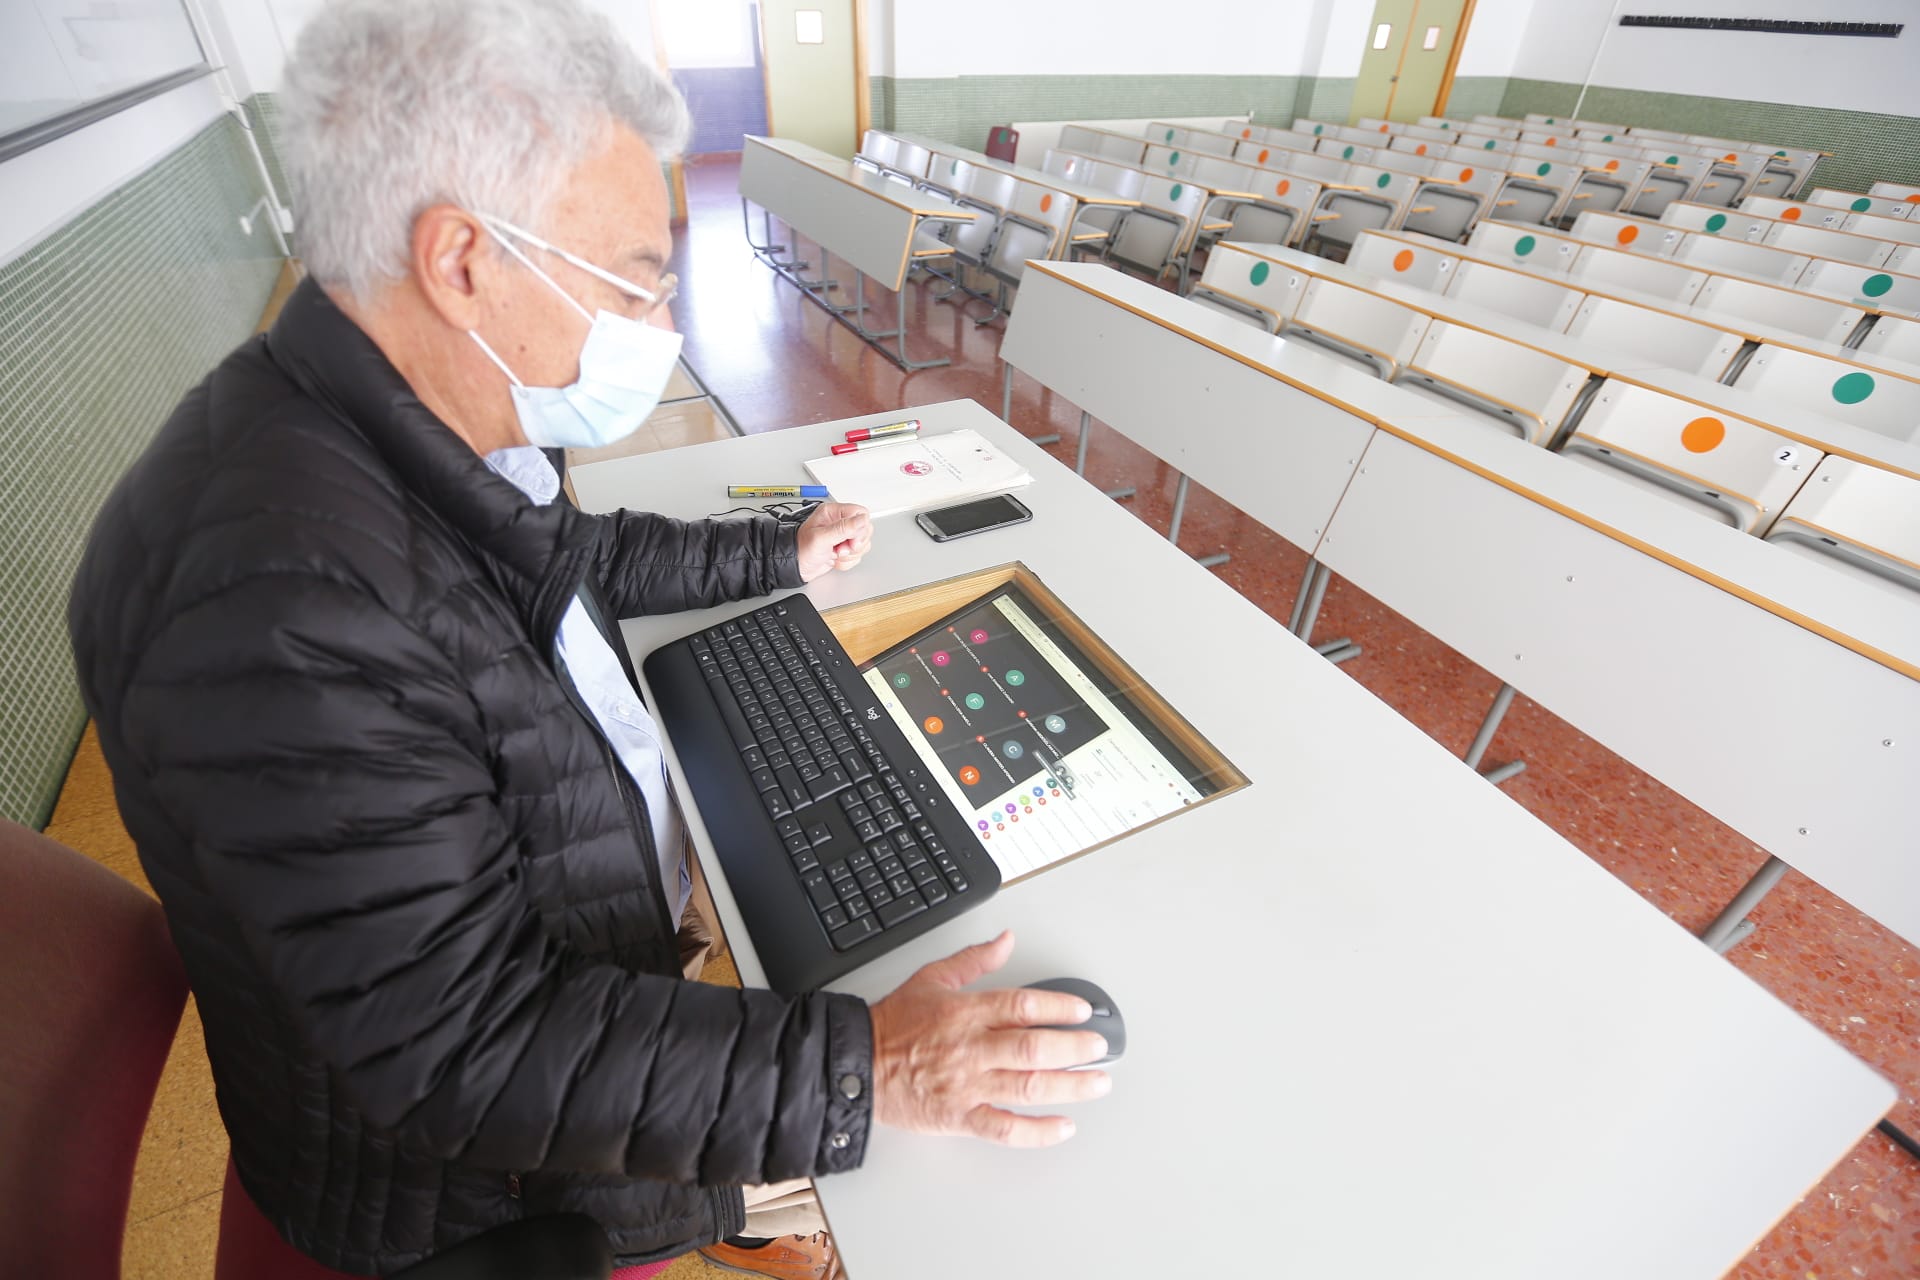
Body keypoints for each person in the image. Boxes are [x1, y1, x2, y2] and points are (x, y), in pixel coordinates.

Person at [65, 1, 1109, 1276]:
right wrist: (867, 1065)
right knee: (972, 1185)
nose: (656, 323)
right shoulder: (282, 607)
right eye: (631, 275)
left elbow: (567, 556)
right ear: (463, 262)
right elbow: (471, 1050)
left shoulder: (381, 413)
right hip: (488, 1182)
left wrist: (768, 554)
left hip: (570, 975)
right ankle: (779, 1223)